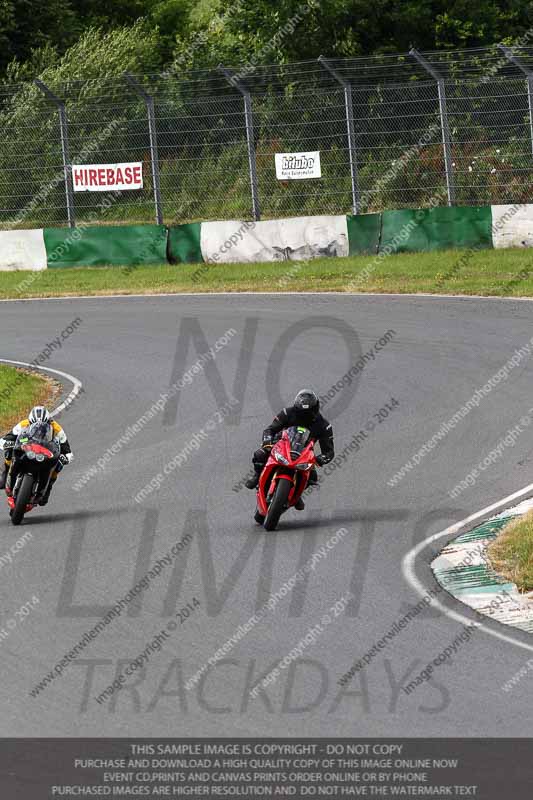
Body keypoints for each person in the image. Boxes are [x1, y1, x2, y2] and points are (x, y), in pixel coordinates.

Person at [245, 389, 334, 510]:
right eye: (302, 414)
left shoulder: (323, 425)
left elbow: (329, 451)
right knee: (260, 454)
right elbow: (270, 430)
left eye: (308, 414)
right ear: (296, 409)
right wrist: (267, 442)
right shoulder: (287, 413)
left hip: (304, 453)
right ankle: (257, 476)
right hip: (281, 444)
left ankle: (297, 494)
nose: (304, 417)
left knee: (312, 476)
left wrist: (320, 459)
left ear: (315, 409)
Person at [0, 405, 73, 505]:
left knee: (59, 464)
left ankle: (47, 489)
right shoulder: (23, 424)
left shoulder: (57, 429)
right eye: (33, 424)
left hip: (45, 451)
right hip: (27, 447)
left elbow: (68, 451)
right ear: (30, 422)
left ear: (49, 422)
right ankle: (5, 474)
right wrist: (6, 443)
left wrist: (65, 457)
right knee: (9, 451)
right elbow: (6, 438)